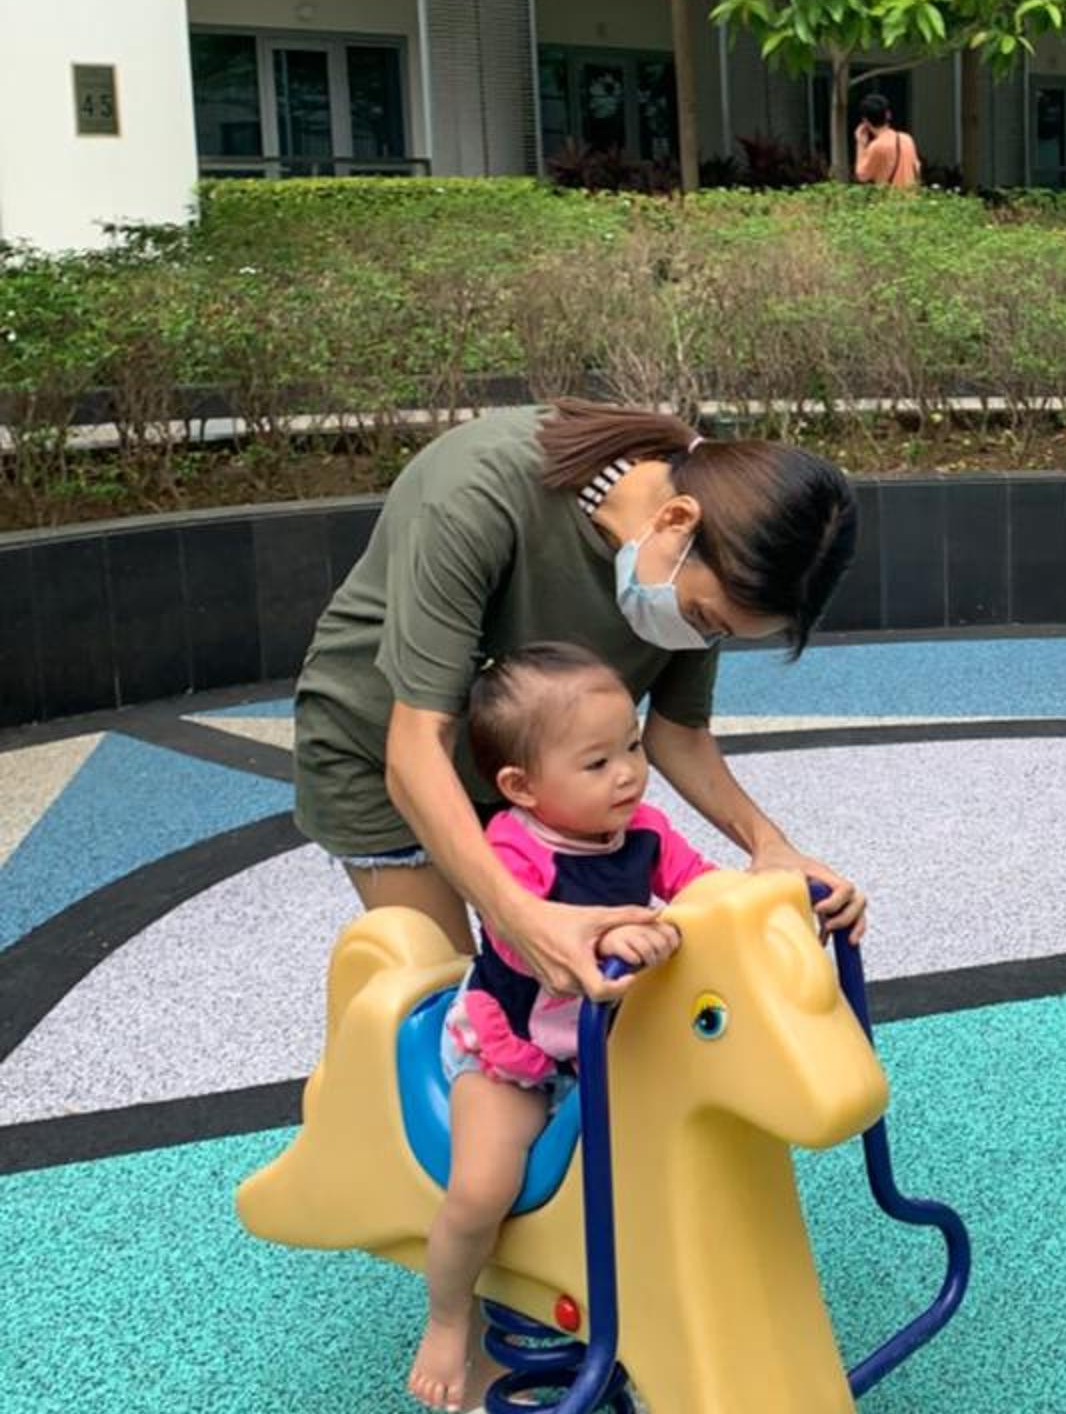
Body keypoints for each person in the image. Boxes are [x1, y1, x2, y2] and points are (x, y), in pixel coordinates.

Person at [294, 398, 868, 990]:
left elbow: (677, 734)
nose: (700, 638)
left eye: (718, 632)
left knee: (575, 995)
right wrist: (521, 920)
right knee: (460, 998)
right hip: (382, 751)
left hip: (542, 775)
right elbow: (417, 744)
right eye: (702, 617)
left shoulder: (699, 561)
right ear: (677, 520)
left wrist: (770, 848)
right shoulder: (480, 491)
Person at [408, 645, 712, 1414]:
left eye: (633, 746)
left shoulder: (645, 833)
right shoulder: (513, 848)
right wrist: (608, 934)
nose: (628, 774)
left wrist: (772, 901)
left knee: (665, 1181)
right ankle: (447, 1318)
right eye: (597, 762)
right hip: (517, 1054)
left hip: (609, 1048)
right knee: (483, 1188)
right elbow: (523, 945)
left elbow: (705, 891)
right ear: (522, 787)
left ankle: (658, 1335)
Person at [853, 101, 923, 189]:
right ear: (888, 115)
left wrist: (860, 144)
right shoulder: (907, 139)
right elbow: (917, 169)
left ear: (865, 121)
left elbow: (861, 175)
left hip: (890, 196)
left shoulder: (876, 146)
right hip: (911, 195)